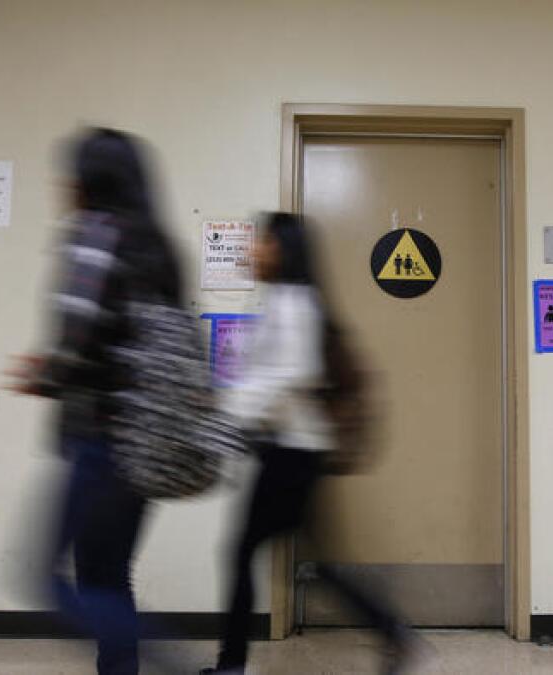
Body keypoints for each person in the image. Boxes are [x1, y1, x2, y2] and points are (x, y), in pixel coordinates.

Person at [203, 212, 415, 675]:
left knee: (243, 552)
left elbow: (289, 374)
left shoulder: (294, 303)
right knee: (314, 562)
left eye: (264, 241)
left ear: (285, 249)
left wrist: (226, 412)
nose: (254, 249)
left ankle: (232, 664)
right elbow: (272, 378)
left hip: (292, 454)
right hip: (293, 450)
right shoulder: (286, 300)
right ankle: (390, 631)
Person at [4, 128, 183, 675]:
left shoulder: (95, 233)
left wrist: (47, 374)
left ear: (88, 180)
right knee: (108, 575)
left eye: (70, 172)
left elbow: (80, 334)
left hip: (102, 438)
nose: (63, 184)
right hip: (149, 441)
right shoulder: (158, 247)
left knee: (44, 577)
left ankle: (171, 663)